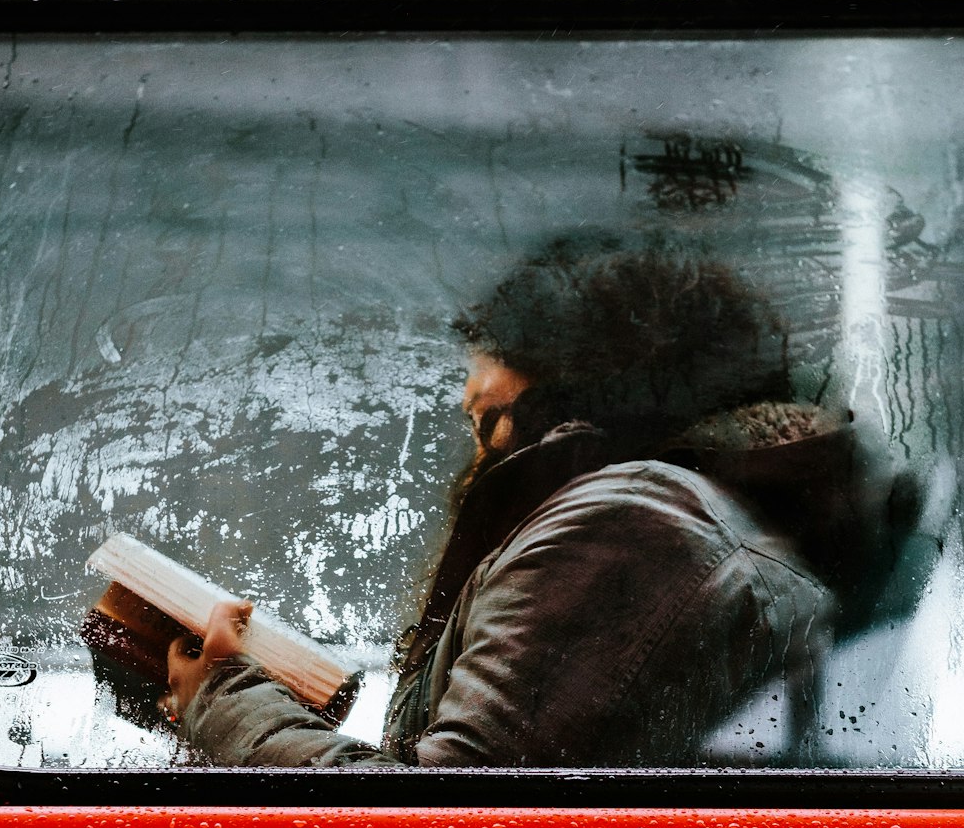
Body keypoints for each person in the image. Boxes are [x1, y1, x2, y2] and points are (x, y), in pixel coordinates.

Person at [163, 239, 908, 769]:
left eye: (487, 409)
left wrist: (228, 700)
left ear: (573, 371)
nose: (468, 405)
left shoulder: (632, 525)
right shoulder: (687, 516)